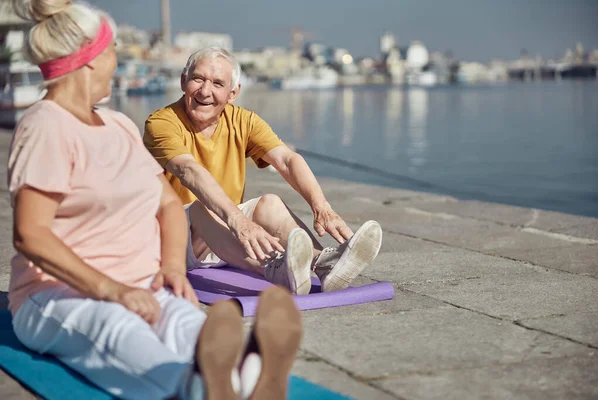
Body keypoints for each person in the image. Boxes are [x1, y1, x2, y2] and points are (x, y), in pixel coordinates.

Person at [7, 1, 301, 399]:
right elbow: (31, 235)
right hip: (59, 293)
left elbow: (166, 205)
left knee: (188, 324)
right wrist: (112, 290)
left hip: (143, 282)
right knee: (116, 328)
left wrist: (171, 269)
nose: (116, 61)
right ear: (90, 60)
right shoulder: (45, 125)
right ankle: (199, 387)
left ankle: (247, 375)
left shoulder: (117, 125)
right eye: (112, 52)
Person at [144, 47, 383, 295]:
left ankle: (323, 264)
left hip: (221, 236)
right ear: (183, 81)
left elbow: (287, 160)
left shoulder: (243, 121)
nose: (205, 91)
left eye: (217, 83)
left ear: (233, 93)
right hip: (169, 239)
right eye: (198, 79)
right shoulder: (161, 122)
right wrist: (238, 221)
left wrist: (321, 206)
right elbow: (188, 170)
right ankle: (274, 269)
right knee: (203, 206)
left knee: (270, 202)